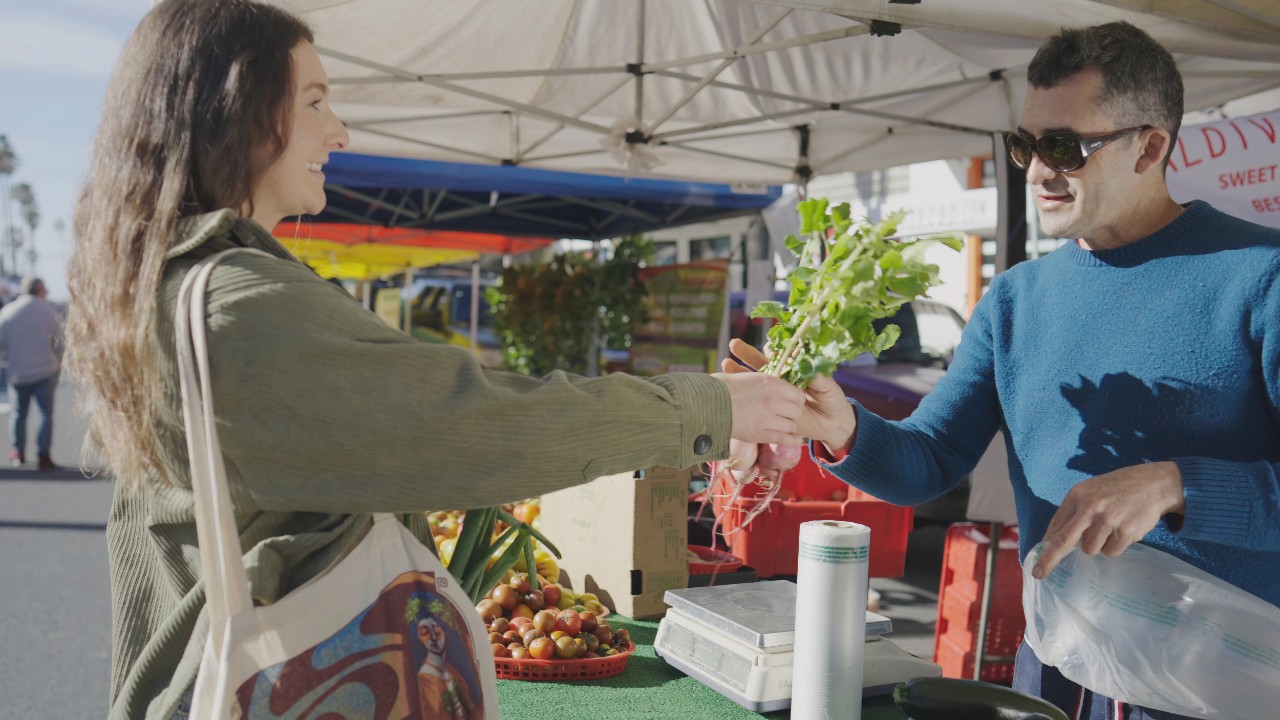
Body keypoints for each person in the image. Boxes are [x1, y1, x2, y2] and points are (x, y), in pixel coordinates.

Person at [67, 2, 816, 718]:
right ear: (238, 111)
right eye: (317, 103)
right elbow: (475, 424)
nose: (341, 133)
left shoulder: (171, 284)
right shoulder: (238, 307)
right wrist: (708, 409)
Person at [728, 21, 1280, 720]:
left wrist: (1176, 484)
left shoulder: (1263, 277)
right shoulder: (1015, 297)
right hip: (1057, 672)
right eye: (1025, 145)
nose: (1038, 171)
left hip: (1224, 687)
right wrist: (842, 429)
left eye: (1065, 147)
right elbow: (926, 462)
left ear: (1151, 147)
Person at [0, 276, 65, 471]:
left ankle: (18, 452)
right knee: (45, 414)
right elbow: (61, 341)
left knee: (19, 414)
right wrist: (59, 360)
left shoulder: (8, 311)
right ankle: (43, 455)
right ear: (39, 290)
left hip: (18, 371)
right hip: (46, 370)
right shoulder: (48, 312)